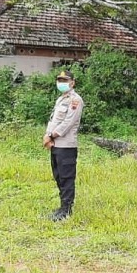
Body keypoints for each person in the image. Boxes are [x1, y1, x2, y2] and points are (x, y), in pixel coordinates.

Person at [43, 70, 84, 221]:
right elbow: (54, 120)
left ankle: (66, 210)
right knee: (58, 176)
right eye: (59, 80)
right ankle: (62, 206)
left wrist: (50, 135)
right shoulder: (61, 99)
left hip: (66, 145)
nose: (61, 83)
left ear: (72, 82)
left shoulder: (75, 100)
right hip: (55, 144)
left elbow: (68, 123)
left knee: (67, 177)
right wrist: (47, 135)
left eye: (65, 80)